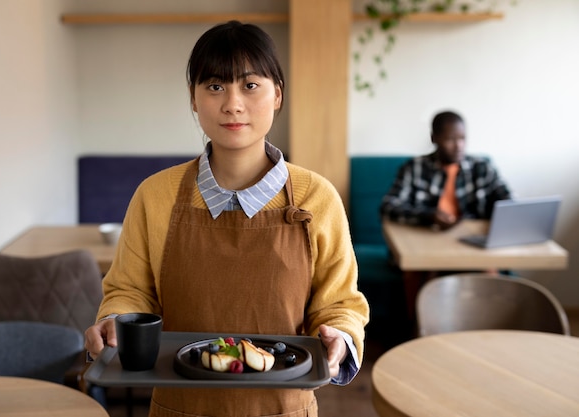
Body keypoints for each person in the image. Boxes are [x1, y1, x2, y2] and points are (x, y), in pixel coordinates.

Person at [84, 21, 369, 417]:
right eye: (215, 86)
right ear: (193, 99)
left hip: (285, 409)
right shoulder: (155, 195)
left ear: (277, 96)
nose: (233, 103)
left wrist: (340, 334)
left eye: (250, 85)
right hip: (177, 408)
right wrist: (115, 321)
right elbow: (130, 291)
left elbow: (339, 303)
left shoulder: (317, 198)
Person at [380, 111, 511, 230]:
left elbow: (509, 201)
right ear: (434, 138)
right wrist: (429, 216)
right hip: (427, 237)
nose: (458, 146)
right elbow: (388, 207)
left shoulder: (482, 167)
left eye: (462, 138)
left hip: (471, 239)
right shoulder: (414, 168)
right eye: (450, 139)